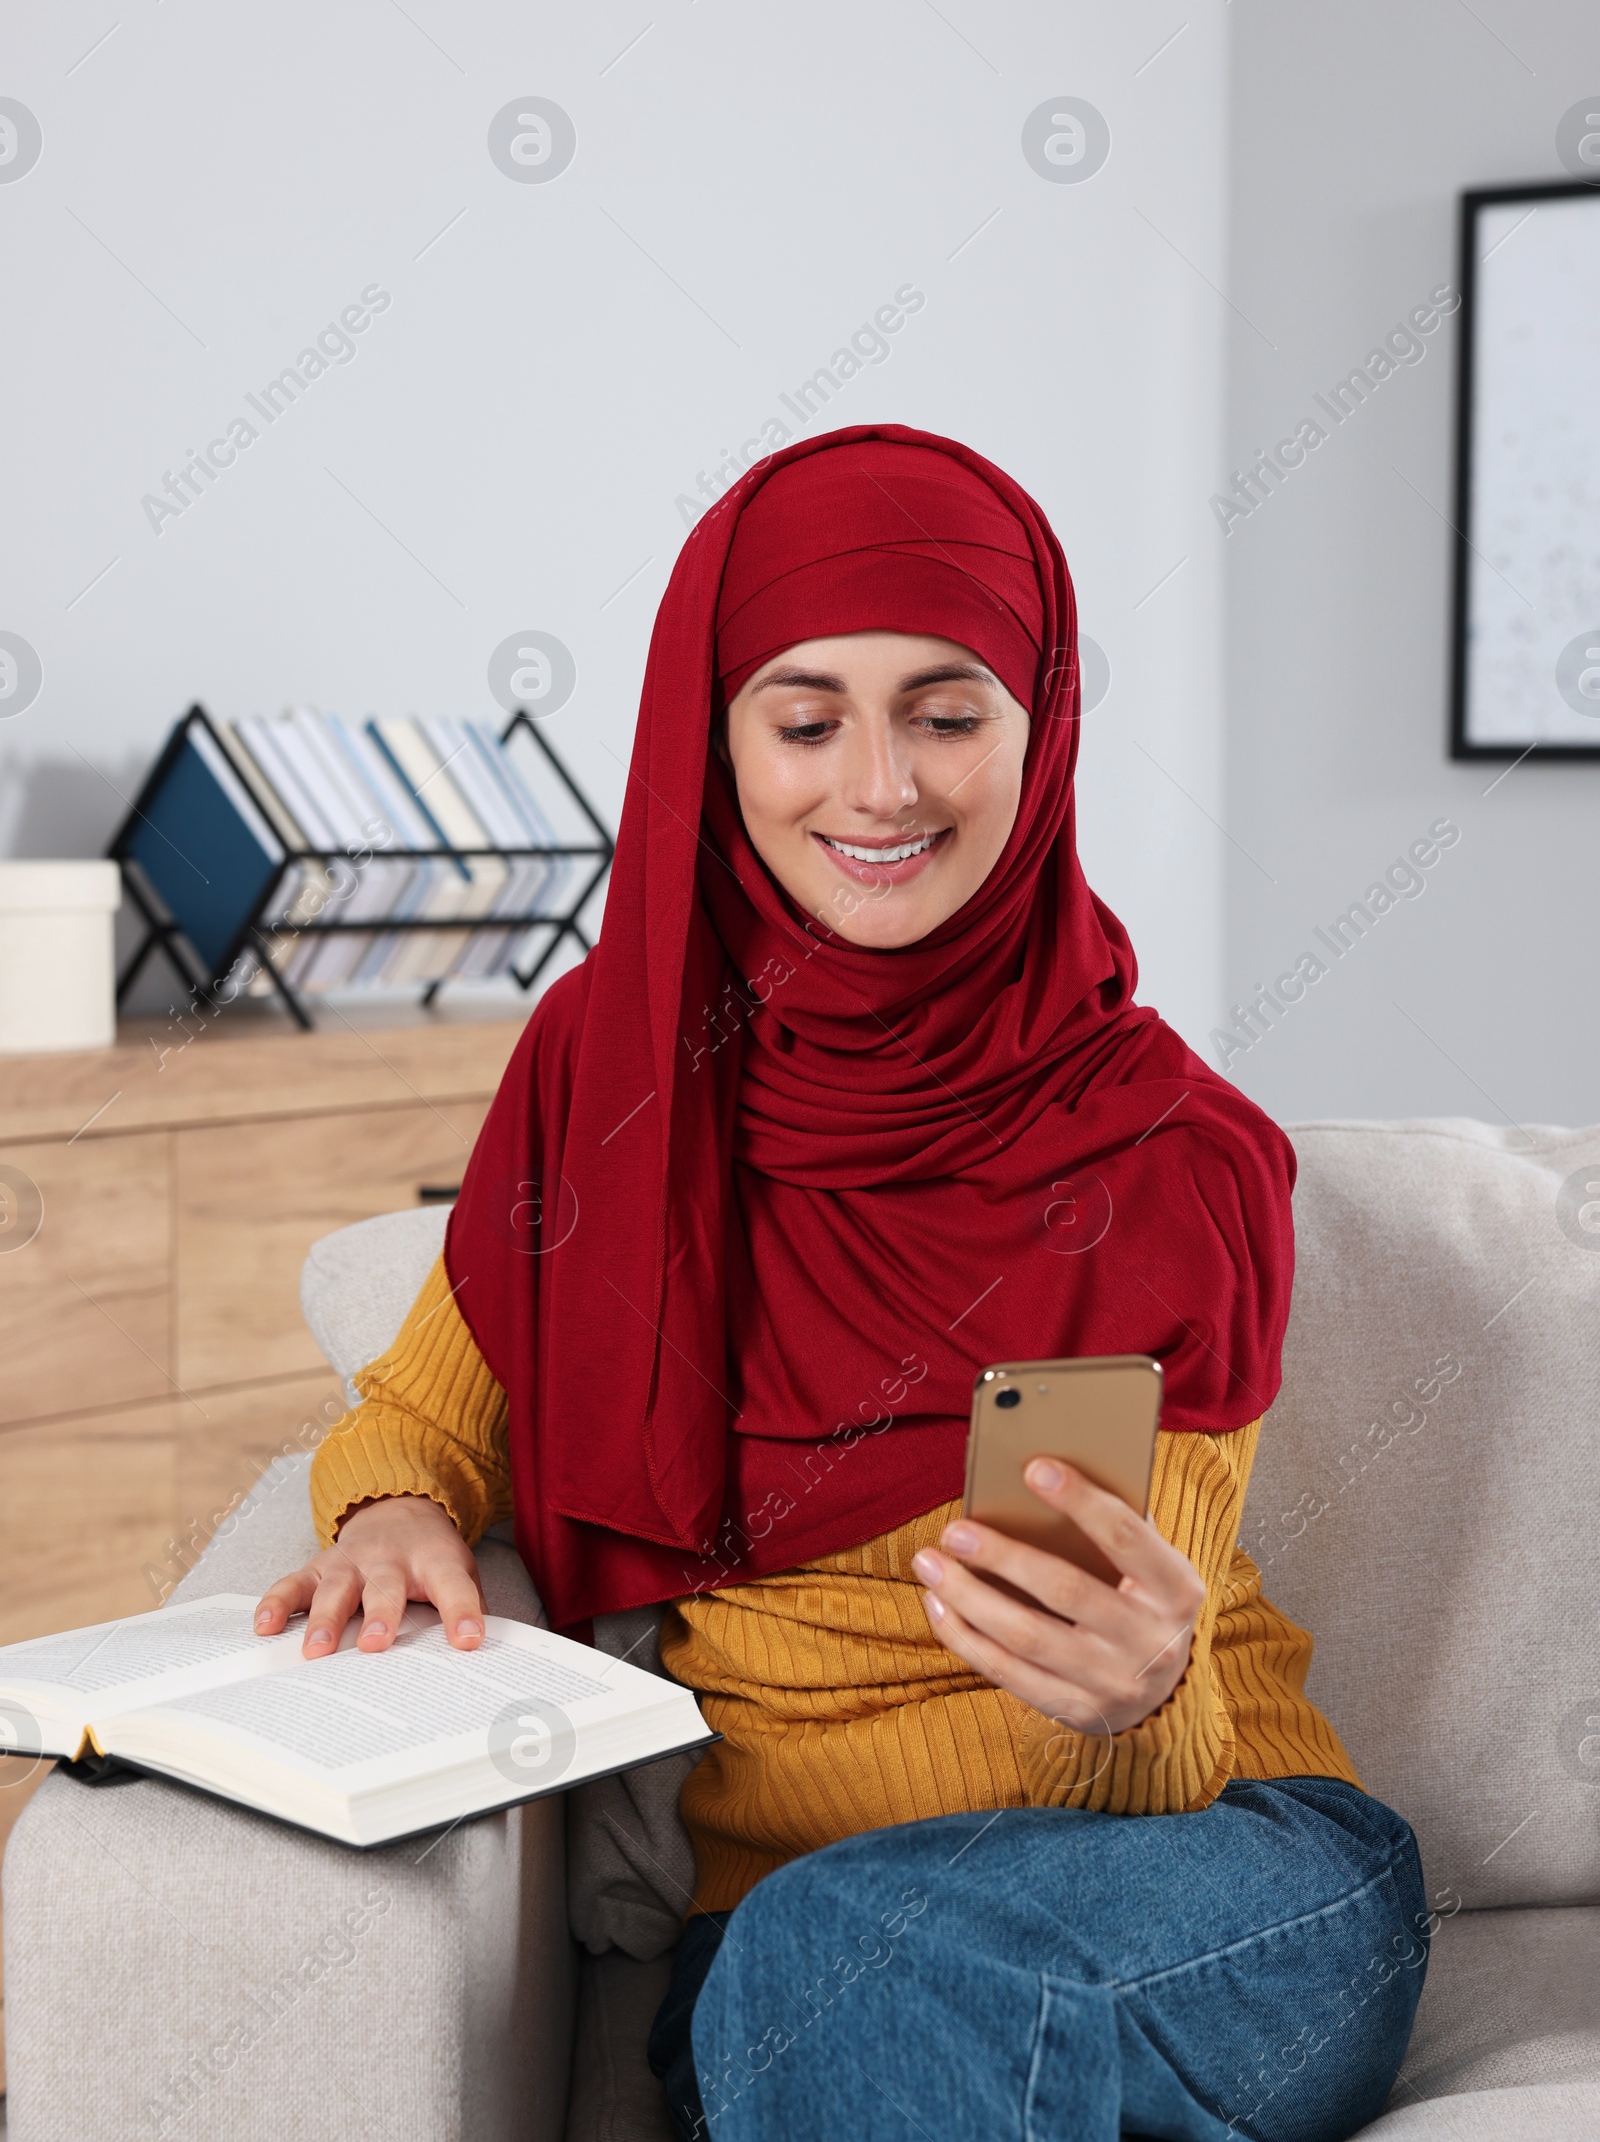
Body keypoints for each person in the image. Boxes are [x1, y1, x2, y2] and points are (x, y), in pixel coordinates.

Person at [257, 426, 1429, 2140]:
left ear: (1041, 732)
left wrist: (1145, 1697)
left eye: (946, 714)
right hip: (789, 1940)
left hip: (1223, 1872)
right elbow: (421, 1419)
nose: (880, 787)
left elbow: (1149, 1750)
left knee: (843, 1950)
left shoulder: (1171, 1151)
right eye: (807, 721)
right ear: (712, 742)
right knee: (828, 1952)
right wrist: (381, 1519)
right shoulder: (620, 1066)